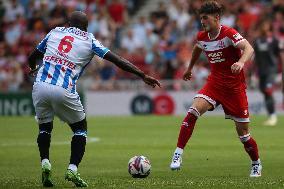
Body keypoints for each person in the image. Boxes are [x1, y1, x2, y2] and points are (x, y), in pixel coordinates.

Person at [28, 11, 161, 187]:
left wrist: (33, 67)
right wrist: (142, 75)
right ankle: (72, 169)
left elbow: (32, 56)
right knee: (80, 129)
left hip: (40, 86)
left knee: (45, 127)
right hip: (63, 88)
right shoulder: (89, 40)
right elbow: (118, 60)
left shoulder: (55, 32)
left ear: (68, 23)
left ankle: (45, 162)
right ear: (86, 27)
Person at [169, 1, 262, 177]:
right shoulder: (202, 36)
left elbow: (249, 48)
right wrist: (189, 68)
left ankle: (256, 163)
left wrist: (241, 62)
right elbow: (197, 48)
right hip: (214, 83)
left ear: (216, 18)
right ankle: (178, 153)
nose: (202, 22)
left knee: (244, 135)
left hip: (235, 88)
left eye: (205, 18)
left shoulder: (228, 33)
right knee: (193, 110)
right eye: (200, 18)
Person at [254, 19, 281, 126]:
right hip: (261, 70)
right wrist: (253, 71)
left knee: (268, 90)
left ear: (269, 26)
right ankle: (271, 116)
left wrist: (281, 69)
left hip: (271, 69)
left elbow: (280, 55)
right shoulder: (258, 41)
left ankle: (273, 117)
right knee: (264, 91)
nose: (264, 27)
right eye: (262, 25)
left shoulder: (274, 40)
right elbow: (255, 57)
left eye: (266, 24)